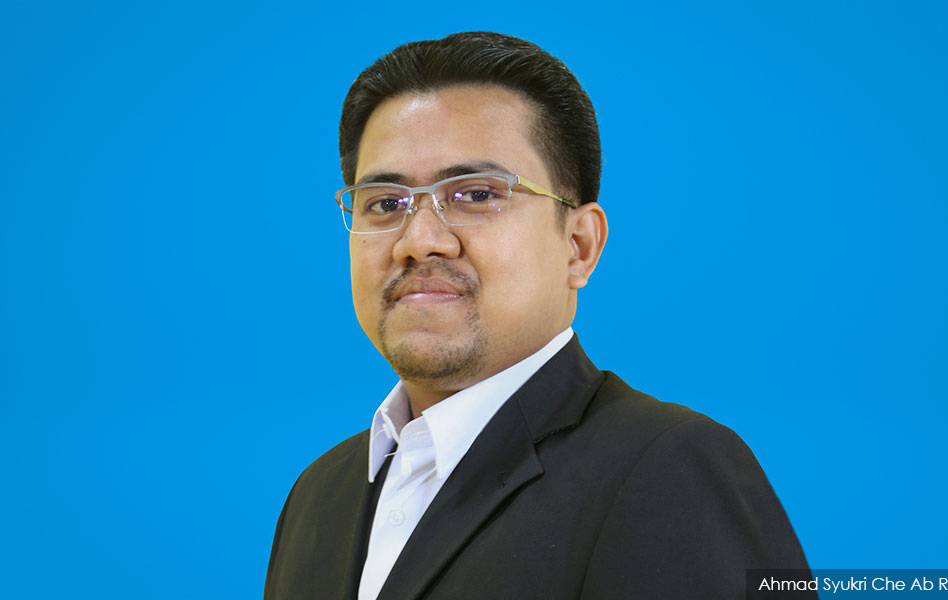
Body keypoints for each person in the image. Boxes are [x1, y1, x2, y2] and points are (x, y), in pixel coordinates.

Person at [264, 31, 812, 600]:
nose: (419, 241)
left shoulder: (670, 468)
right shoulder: (318, 494)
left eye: (476, 195)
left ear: (578, 246)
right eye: (385, 203)